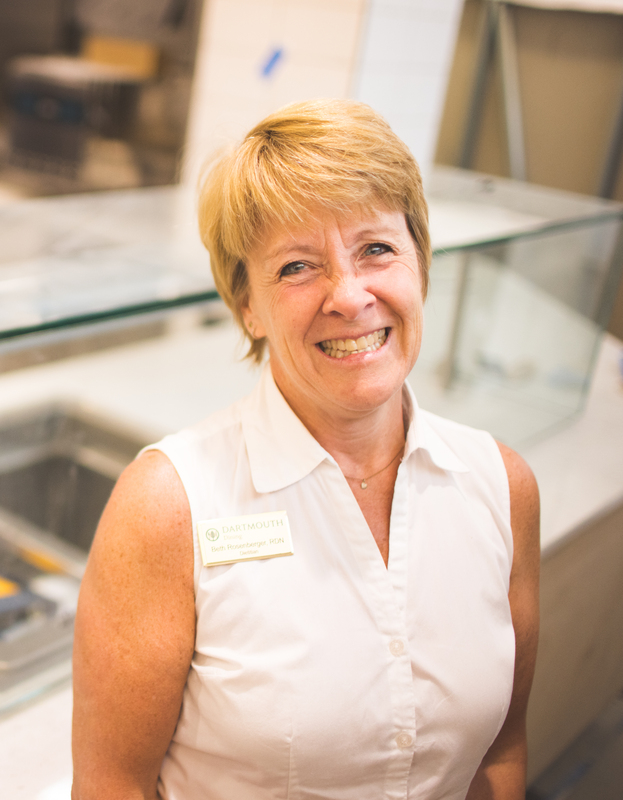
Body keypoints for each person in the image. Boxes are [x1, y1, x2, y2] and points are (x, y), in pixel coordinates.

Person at [71, 99, 539, 800]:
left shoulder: (501, 485)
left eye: (376, 249)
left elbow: (500, 750)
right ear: (248, 306)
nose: (349, 297)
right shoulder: (168, 507)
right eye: (296, 267)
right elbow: (113, 787)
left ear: (419, 264)